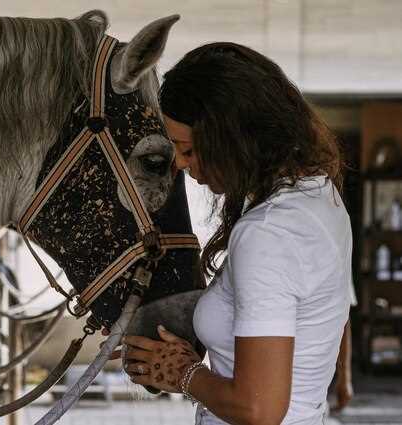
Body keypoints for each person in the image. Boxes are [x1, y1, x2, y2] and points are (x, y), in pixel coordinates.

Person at [113, 42, 354, 425]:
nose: (180, 164)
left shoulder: (268, 232)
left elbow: (258, 409)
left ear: (234, 138)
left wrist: (183, 374)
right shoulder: (317, 195)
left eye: (188, 150)